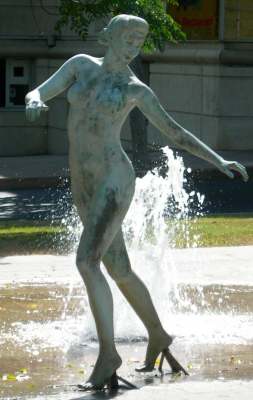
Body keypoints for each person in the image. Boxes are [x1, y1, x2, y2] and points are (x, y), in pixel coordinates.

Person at [25, 14, 248, 391]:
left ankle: (108, 354)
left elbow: (176, 133)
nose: (133, 47)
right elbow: (39, 91)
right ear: (109, 35)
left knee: (86, 261)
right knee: (119, 268)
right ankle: (158, 334)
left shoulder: (135, 89)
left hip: (115, 179)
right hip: (84, 179)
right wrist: (33, 101)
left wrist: (218, 159)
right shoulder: (79, 66)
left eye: (139, 41)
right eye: (128, 38)